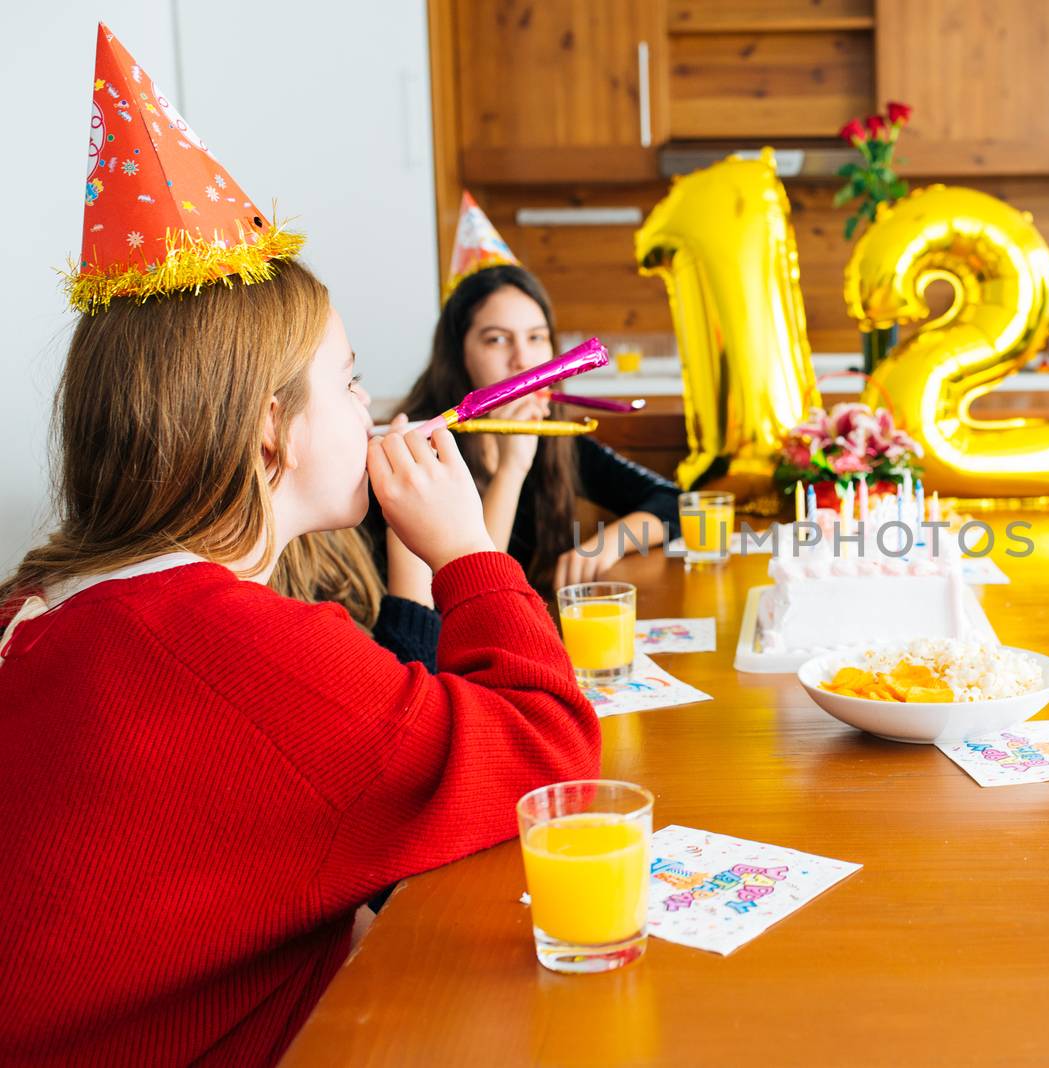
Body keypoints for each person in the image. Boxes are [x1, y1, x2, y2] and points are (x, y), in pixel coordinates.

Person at [0, 26, 598, 1066]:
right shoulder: (250, 654)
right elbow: (551, 754)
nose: (372, 413)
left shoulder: (45, 602)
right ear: (270, 430)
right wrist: (463, 552)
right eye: (352, 381)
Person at [371, 194, 679, 601]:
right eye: (497, 339)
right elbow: (468, 598)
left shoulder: (552, 435)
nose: (523, 361)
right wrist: (511, 470)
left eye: (536, 338)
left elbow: (673, 503)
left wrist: (611, 540)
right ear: (458, 353)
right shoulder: (419, 450)